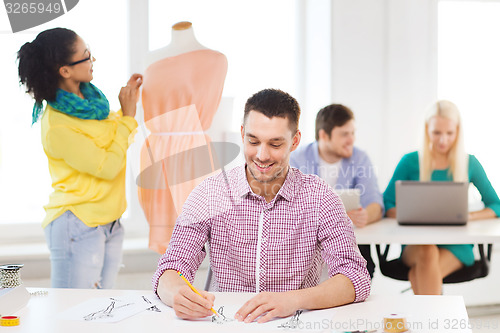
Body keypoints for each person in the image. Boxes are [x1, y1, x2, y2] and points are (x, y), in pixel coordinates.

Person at [153, 89, 370, 323]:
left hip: (295, 325)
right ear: (242, 134)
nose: (262, 155)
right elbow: (171, 268)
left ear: (295, 141)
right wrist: (176, 293)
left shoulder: (320, 197)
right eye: (253, 141)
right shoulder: (210, 193)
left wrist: (292, 300)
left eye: (275, 144)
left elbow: (355, 276)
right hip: (227, 325)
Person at [17, 28, 143, 288]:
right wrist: (128, 118)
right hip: (78, 224)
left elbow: (110, 137)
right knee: (70, 320)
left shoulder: (91, 102)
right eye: (86, 56)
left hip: (109, 223)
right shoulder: (57, 126)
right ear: (65, 70)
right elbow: (107, 166)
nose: (92, 60)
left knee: (100, 315)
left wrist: (128, 102)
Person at [383, 100, 500, 295]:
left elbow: (495, 204)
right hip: (416, 244)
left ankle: (426, 324)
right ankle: (437, 324)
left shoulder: (469, 162)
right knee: (427, 251)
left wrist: (469, 216)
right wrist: (408, 215)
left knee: (421, 272)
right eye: (437, 133)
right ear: (427, 130)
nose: (443, 140)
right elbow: (386, 203)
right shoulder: (410, 161)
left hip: (456, 245)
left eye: (449, 133)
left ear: (458, 131)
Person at [138, 21, 228, 254]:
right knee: (167, 238)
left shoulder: (216, 61)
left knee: (195, 231)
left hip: (194, 150)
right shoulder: (150, 59)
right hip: (157, 153)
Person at [290, 104, 384, 278]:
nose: (351, 140)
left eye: (352, 133)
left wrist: (366, 215)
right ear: (324, 135)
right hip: (307, 245)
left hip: (349, 240)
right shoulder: (297, 158)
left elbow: (375, 203)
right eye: (344, 134)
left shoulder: (360, 158)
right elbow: (289, 206)